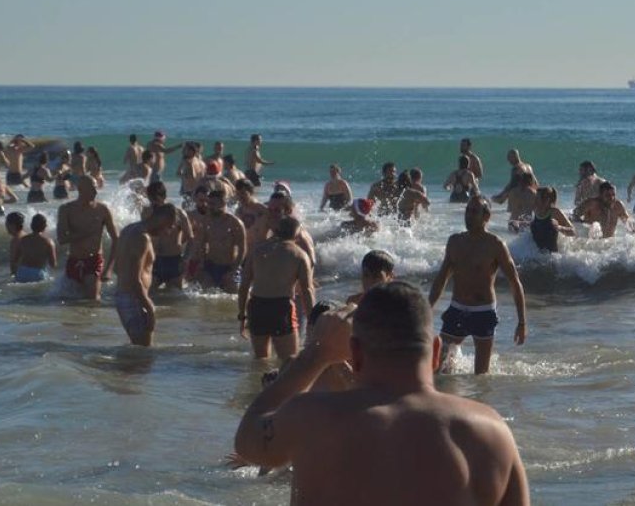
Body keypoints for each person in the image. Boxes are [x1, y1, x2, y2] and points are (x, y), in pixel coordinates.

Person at [232, 282, 529, 505]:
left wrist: (317, 355)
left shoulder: (311, 417)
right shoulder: (490, 432)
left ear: (356, 354)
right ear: (436, 353)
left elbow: (247, 439)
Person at [427, 196, 528, 375]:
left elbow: (515, 283)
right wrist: (427, 309)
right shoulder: (455, 242)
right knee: (438, 370)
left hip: (483, 313)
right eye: (467, 211)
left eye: (474, 212)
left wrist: (521, 322)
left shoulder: (496, 245)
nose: (469, 215)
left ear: (486, 216)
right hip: (457, 309)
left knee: (481, 375)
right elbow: (441, 279)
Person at [239, 216, 315, 361]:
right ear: (297, 234)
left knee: (261, 360)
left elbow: (243, 287)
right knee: (290, 361)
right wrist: (312, 320)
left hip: (256, 307)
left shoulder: (257, 251)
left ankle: (259, 384)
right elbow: (307, 290)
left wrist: (242, 316)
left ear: (277, 231)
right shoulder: (299, 255)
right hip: (281, 308)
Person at [113, 203, 176, 346]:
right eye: (169, 226)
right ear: (163, 220)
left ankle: (122, 367)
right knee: (144, 354)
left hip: (123, 296)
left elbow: (118, 268)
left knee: (137, 350)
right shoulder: (142, 238)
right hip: (134, 299)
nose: (168, 232)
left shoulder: (128, 230)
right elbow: (136, 278)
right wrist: (149, 307)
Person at [56, 175, 118, 300]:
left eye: (95, 188)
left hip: (94, 261)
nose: (95, 192)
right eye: (92, 188)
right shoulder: (66, 210)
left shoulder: (102, 210)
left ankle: (93, 319)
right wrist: (85, 233)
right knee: (69, 303)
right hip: (74, 260)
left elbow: (117, 239)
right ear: (80, 189)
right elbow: (61, 239)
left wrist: (109, 269)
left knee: (93, 299)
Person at [142, 181, 195, 291]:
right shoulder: (147, 212)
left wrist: (186, 259)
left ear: (164, 196)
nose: (153, 203)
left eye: (155, 200)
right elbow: (143, 237)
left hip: (174, 261)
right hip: (155, 260)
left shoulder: (179, 213)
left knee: (173, 299)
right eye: (150, 199)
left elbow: (191, 239)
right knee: (149, 293)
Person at [194, 188, 247, 293]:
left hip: (229, 266)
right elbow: (201, 244)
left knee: (234, 297)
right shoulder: (205, 221)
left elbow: (242, 249)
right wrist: (201, 264)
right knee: (205, 298)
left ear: (223, 203)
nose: (209, 206)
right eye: (209, 203)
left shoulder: (235, 223)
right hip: (211, 266)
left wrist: (233, 270)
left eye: (213, 204)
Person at [13, 214, 58, 283]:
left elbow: (15, 259)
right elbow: (53, 264)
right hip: (37, 273)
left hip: (22, 272)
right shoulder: (48, 242)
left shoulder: (23, 240)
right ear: (44, 226)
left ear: (32, 225)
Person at [529, 187, 575, 253]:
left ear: (547, 200)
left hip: (552, 257)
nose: (535, 201)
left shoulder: (554, 212)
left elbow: (573, 231)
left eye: (537, 199)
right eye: (535, 198)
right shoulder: (536, 212)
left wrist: (559, 227)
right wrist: (521, 223)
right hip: (537, 256)